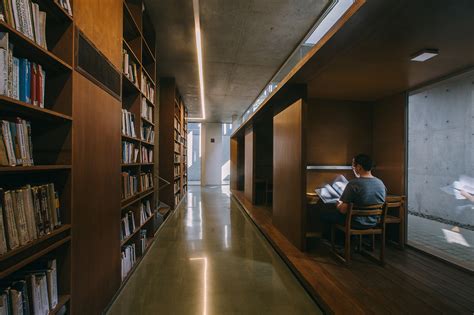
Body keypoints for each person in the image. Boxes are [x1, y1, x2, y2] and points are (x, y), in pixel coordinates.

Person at [320, 153, 387, 230]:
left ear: (358, 167)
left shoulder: (353, 184)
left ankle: (332, 240)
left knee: (324, 213)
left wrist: (338, 203)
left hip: (355, 222)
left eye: (353, 166)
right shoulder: (381, 183)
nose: (353, 168)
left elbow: (343, 210)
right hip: (374, 222)